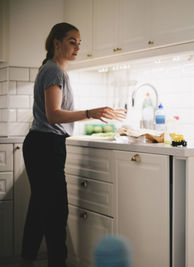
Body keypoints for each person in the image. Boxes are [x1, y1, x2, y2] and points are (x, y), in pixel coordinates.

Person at [21, 22, 126, 267]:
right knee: (56, 213)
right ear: (56, 42)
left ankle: (26, 260)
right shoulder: (54, 71)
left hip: (41, 144)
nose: (77, 47)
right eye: (72, 41)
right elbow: (54, 115)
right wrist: (91, 112)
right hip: (46, 146)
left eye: (79, 43)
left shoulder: (52, 69)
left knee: (39, 209)